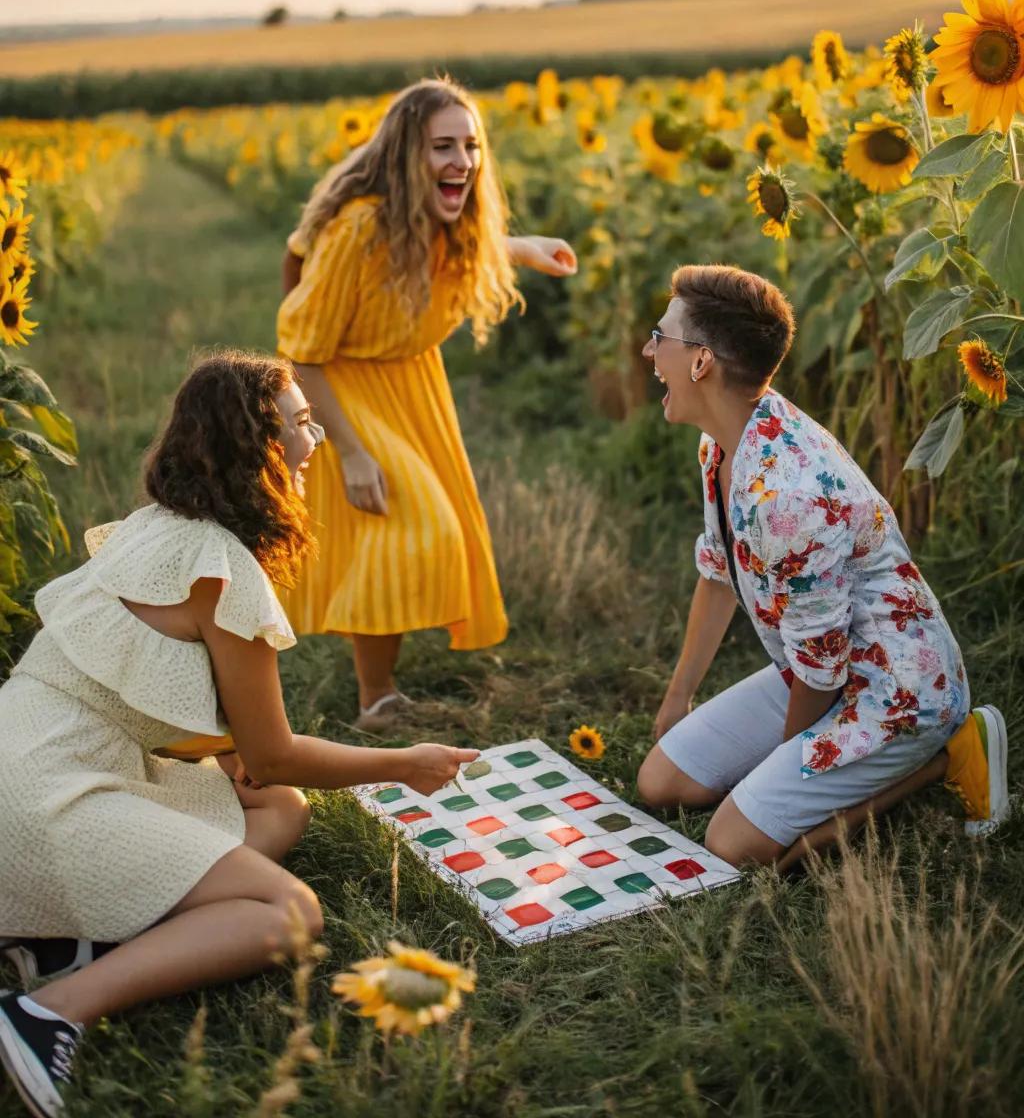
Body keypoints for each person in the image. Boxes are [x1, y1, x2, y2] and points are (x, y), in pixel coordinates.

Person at [0, 351, 477, 1118]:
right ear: (259, 448)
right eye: (300, 423)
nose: (314, 437)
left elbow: (161, 702)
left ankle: (69, 939)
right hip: (50, 799)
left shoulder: (158, 525)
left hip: (28, 753)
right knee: (290, 916)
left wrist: (230, 753)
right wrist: (403, 763)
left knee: (279, 806)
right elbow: (275, 751)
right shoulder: (224, 572)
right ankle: (50, 1011)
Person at [636, 264, 1008, 870]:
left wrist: (784, 769)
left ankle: (952, 752)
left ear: (701, 362)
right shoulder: (723, 438)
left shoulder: (789, 496)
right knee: (661, 783)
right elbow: (718, 573)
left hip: (897, 687)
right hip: (820, 667)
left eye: (662, 336)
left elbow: (822, 670)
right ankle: (809, 780)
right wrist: (677, 698)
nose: (649, 349)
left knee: (735, 844)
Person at [277, 78, 577, 728]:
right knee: (419, 527)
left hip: (412, 386)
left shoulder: (444, 220)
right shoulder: (360, 229)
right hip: (343, 387)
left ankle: (376, 699)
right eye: (443, 145)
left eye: (470, 146)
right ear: (407, 154)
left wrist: (523, 249)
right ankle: (363, 697)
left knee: (388, 536)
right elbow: (302, 349)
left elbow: (463, 255)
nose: (462, 161)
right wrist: (351, 452)